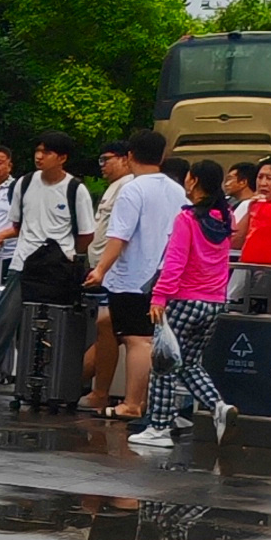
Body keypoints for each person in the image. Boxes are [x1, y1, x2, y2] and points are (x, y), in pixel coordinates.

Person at [0, 133, 95, 395]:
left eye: (47, 152)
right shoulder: (25, 184)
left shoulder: (75, 190)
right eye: (37, 151)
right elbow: (17, 224)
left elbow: (86, 234)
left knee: (50, 326)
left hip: (57, 268)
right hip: (23, 263)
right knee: (2, 322)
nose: (39, 156)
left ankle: (50, 384)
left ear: (62, 158)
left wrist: (66, 255)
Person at [131, 157, 237, 452]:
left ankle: (159, 428)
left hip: (184, 300)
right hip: (213, 303)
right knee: (188, 363)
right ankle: (219, 408)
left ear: (194, 181)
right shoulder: (225, 216)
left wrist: (159, 297)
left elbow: (175, 262)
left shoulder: (187, 219)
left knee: (163, 364)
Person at [85, 128, 186, 421]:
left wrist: (101, 269)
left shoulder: (132, 189)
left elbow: (119, 236)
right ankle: (104, 391)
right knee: (112, 326)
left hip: (133, 277)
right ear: (163, 155)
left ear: (129, 156)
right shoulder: (177, 190)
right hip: (165, 275)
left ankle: (132, 403)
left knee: (137, 340)